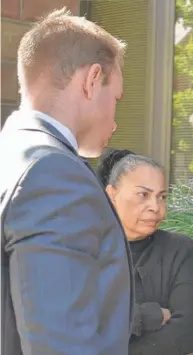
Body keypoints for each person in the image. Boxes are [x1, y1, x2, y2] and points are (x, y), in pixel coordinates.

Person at [0, 8, 133, 355]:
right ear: (91, 80)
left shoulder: (11, 154)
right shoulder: (54, 174)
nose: (115, 121)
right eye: (116, 98)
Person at [96, 149, 193, 355]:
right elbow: (77, 321)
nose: (155, 207)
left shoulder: (179, 250)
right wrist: (146, 316)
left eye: (162, 196)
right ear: (112, 194)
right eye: (143, 195)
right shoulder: (85, 248)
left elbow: (187, 332)